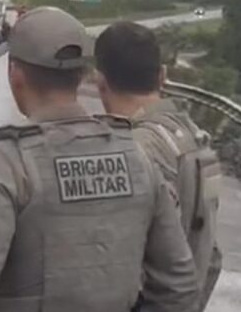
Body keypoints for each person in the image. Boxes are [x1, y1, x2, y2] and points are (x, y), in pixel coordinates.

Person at [0, 6, 199, 312]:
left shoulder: (5, 167)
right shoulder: (137, 158)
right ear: (83, 75)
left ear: (15, 74)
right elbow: (179, 285)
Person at [95, 21, 222, 311]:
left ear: (99, 81)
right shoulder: (198, 142)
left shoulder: (134, 152)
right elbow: (212, 256)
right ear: (162, 76)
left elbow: (124, 264)